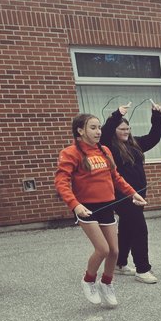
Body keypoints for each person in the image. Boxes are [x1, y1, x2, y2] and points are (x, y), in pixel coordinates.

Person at [55, 113, 146, 308]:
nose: (98, 131)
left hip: (107, 205)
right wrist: (75, 205)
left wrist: (133, 194)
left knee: (114, 250)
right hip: (86, 209)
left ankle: (107, 283)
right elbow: (61, 183)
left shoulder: (104, 151)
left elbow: (116, 177)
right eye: (93, 128)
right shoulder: (71, 153)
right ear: (80, 131)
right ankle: (88, 280)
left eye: (99, 128)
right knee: (102, 249)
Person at [100, 100, 161, 283]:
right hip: (121, 195)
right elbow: (104, 133)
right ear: (114, 131)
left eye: (127, 129)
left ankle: (120, 263)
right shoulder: (107, 147)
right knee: (139, 229)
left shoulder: (135, 144)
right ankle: (143, 269)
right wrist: (117, 114)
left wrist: (156, 116)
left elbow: (154, 137)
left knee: (127, 227)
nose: (125, 132)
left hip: (138, 194)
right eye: (121, 129)